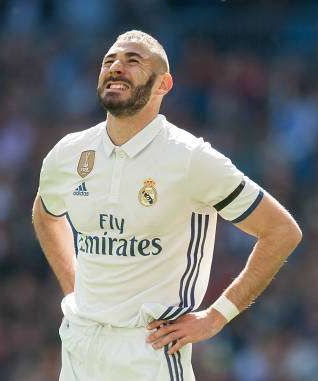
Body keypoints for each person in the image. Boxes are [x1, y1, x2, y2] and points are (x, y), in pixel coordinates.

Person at [32, 30, 302, 381]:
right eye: (109, 61)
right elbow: (45, 212)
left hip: (148, 350)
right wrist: (74, 286)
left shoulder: (191, 158)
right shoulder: (69, 153)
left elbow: (281, 230)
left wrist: (217, 316)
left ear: (163, 84)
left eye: (133, 61)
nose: (116, 67)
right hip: (79, 344)